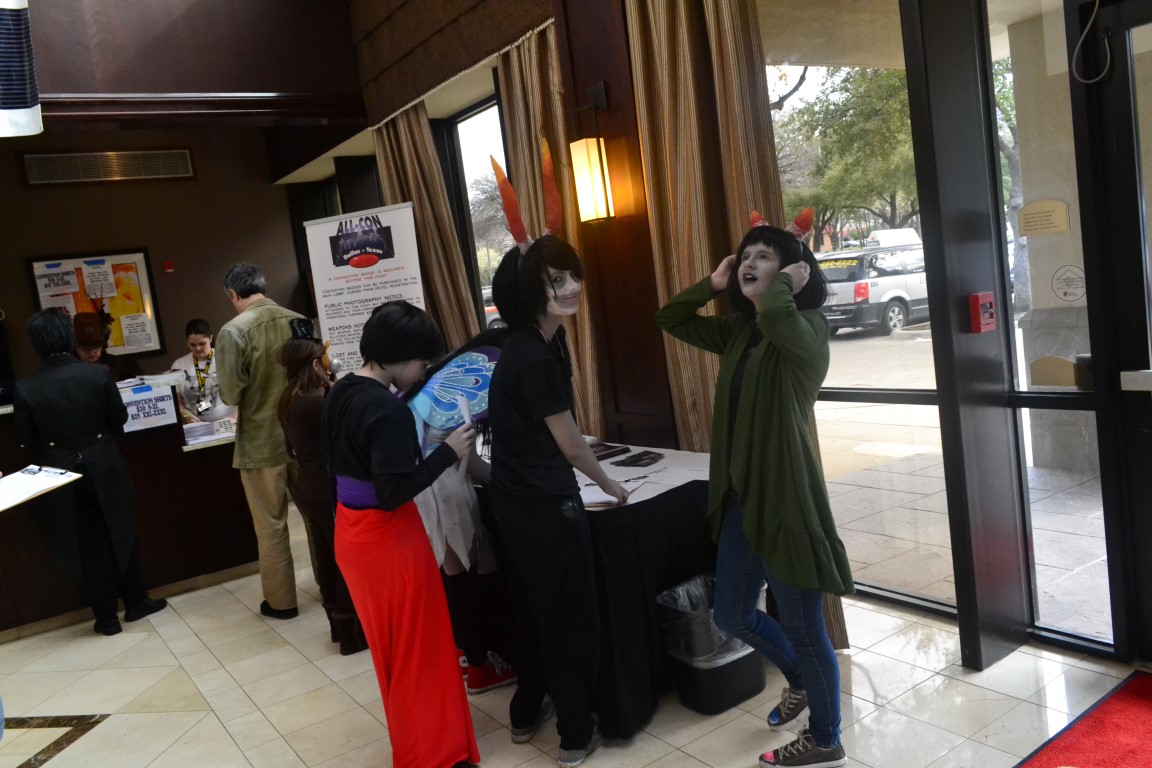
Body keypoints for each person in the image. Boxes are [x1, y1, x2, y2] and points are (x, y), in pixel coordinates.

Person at [654, 210, 854, 768]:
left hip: (786, 501)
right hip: (741, 500)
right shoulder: (741, 332)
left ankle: (826, 738)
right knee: (732, 615)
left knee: (804, 627)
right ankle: (798, 680)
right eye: (745, 256)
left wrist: (786, 283)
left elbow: (780, 316)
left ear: (792, 273)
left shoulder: (808, 330)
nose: (749, 263)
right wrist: (712, 283)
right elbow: (670, 318)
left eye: (763, 257)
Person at [486, 146, 626, 768]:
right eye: (554, 282)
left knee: (537, 609)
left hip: (515, 499)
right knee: (569, 618)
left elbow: (557, 433)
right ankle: (574, 734)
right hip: (544, 505)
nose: (570, 289)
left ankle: (527, 713)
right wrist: (612, 485)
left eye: (572, 276)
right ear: (529, 290)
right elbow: (569, 444)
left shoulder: (530, 341)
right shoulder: (534, 355)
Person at [321, 301, 479, 768]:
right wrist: (448, 453)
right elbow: (393, 493)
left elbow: (338, 466)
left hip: (353, 533)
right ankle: (434, 755)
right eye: (422, 362)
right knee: (420, 650)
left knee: (395, 653)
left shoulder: (341, 390)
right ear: (400, 355)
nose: (424, 371)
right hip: (389, 536)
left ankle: (419, 748)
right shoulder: (386, 410)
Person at [13, 309, 168, 636]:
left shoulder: (25, 387)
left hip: (59, 473)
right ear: (68, 339)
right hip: (105, 463)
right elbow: (119, 419)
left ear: (36, 344)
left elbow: (25, 440)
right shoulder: (98, 374)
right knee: (122, 531)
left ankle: (106, 618)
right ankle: (136, 602)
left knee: (85, 545)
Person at [403, 330, 519, 696]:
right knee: (466, 581)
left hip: (427, 492)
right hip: (446, 492)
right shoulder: (452, 395)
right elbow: (470, 461)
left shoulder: (423, 389)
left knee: (460, 575)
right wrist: (508, 480)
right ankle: (481, 667)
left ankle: (469, 656)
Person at [216, 262, 304, 620]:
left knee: (271, 528)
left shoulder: (233, 331)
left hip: (260, 443)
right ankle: (334, 591)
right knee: (319, 520)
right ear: (263, 287)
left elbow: (230, 393)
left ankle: (283, 603)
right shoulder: (299, 320)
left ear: (233, 294)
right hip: (303, 437)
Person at [277, 319, 367, 656]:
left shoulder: (289, 400)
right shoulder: (315, 405)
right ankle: (352, 634)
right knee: (343, 560)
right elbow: (350, 426)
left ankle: (339, 629)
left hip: (308, 486)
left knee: (327, 558)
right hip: (326, 487)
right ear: (316, 365)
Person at [171, 318, 235, 424]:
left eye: (202, 343)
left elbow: (244, 393)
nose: (197, 348)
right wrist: (187, 417)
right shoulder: (178, 365)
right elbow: (177, 401)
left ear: (210, 338)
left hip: (227, 422)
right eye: (192, 344)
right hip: (195, 425)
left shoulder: (226, 359)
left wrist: (234, 418)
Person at [73, 310, 142, 380]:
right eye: (85, 349)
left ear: (102, 345)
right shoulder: (69, 369)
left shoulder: (116, 364)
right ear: (75, 347)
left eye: (96, 347)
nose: (91, 352)